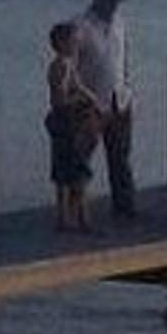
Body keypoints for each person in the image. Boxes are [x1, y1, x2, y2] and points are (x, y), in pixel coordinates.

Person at [74, 0, 135, 216]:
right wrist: (82, 100)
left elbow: (124, 59)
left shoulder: (120, 24)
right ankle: (76, 208)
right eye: (110, 0)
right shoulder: (81, 27)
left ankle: (124, 208)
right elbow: (72, 67)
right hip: (92, 102)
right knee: (80, 158)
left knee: (120, 158)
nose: (114, 6)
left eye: (116, 1)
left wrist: (128, 89)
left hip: (119, 99)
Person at [45, 20, 100, 232]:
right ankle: (78, 218)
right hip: (65, 121)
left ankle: (68, 217)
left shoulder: (68, 65)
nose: (78, 44)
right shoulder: (60, 66)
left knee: (67, 170)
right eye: (74, 40)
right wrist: (80, 101)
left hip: (69, 121)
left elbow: (79, 87)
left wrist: (92, 99)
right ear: (63, 42)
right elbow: (59, 100)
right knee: (75, 170)